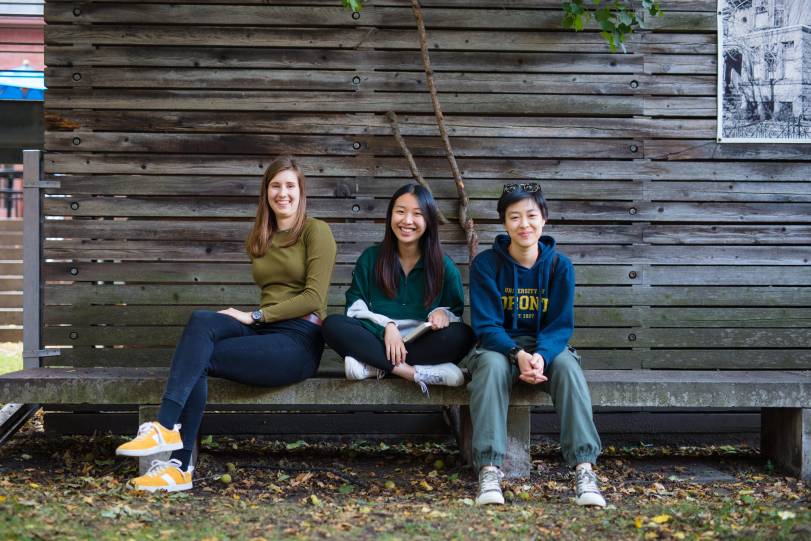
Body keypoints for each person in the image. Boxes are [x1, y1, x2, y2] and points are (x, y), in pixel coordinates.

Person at [114, 156, 337, 492]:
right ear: (266, 192)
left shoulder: (316, 231)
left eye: (290, 185)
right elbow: (271, 296)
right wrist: (255, 319)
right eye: (276, 185)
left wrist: (255, 316)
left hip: (299, 341)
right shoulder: (261, 238)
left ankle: (173, 449)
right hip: (267, 330)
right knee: (202, 323)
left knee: (201, 357)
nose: (283, 193)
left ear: (301, 192)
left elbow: (313, 298)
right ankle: (176, 456)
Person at [464, 182, 605, 507]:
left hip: (545, 348)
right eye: (515, 217)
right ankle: (489, 470)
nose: (523, 224)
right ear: (504, 223)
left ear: (544, 219)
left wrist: (540, 355)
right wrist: (517, 354)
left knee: (569, 368)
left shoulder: (559, 266)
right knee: (490, 367)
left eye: (531, 215)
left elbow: (559, 326)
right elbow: (486, 325)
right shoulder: (486, 265)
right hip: (498, 347)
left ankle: (584, 469)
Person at [322, 183, 475, 395]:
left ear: (429, 220)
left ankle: (373, 366)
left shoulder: (443, 266)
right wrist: (388, 327)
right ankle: (412, 373)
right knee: (332, 324)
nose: (407, 221)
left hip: (419, 344)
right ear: (390, 215)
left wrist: (442, 313)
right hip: (377, 340)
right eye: (400, 212)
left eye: (417, 214)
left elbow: (455, 312)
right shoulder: (370, 258)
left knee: (463, 335)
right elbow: (354, 308)